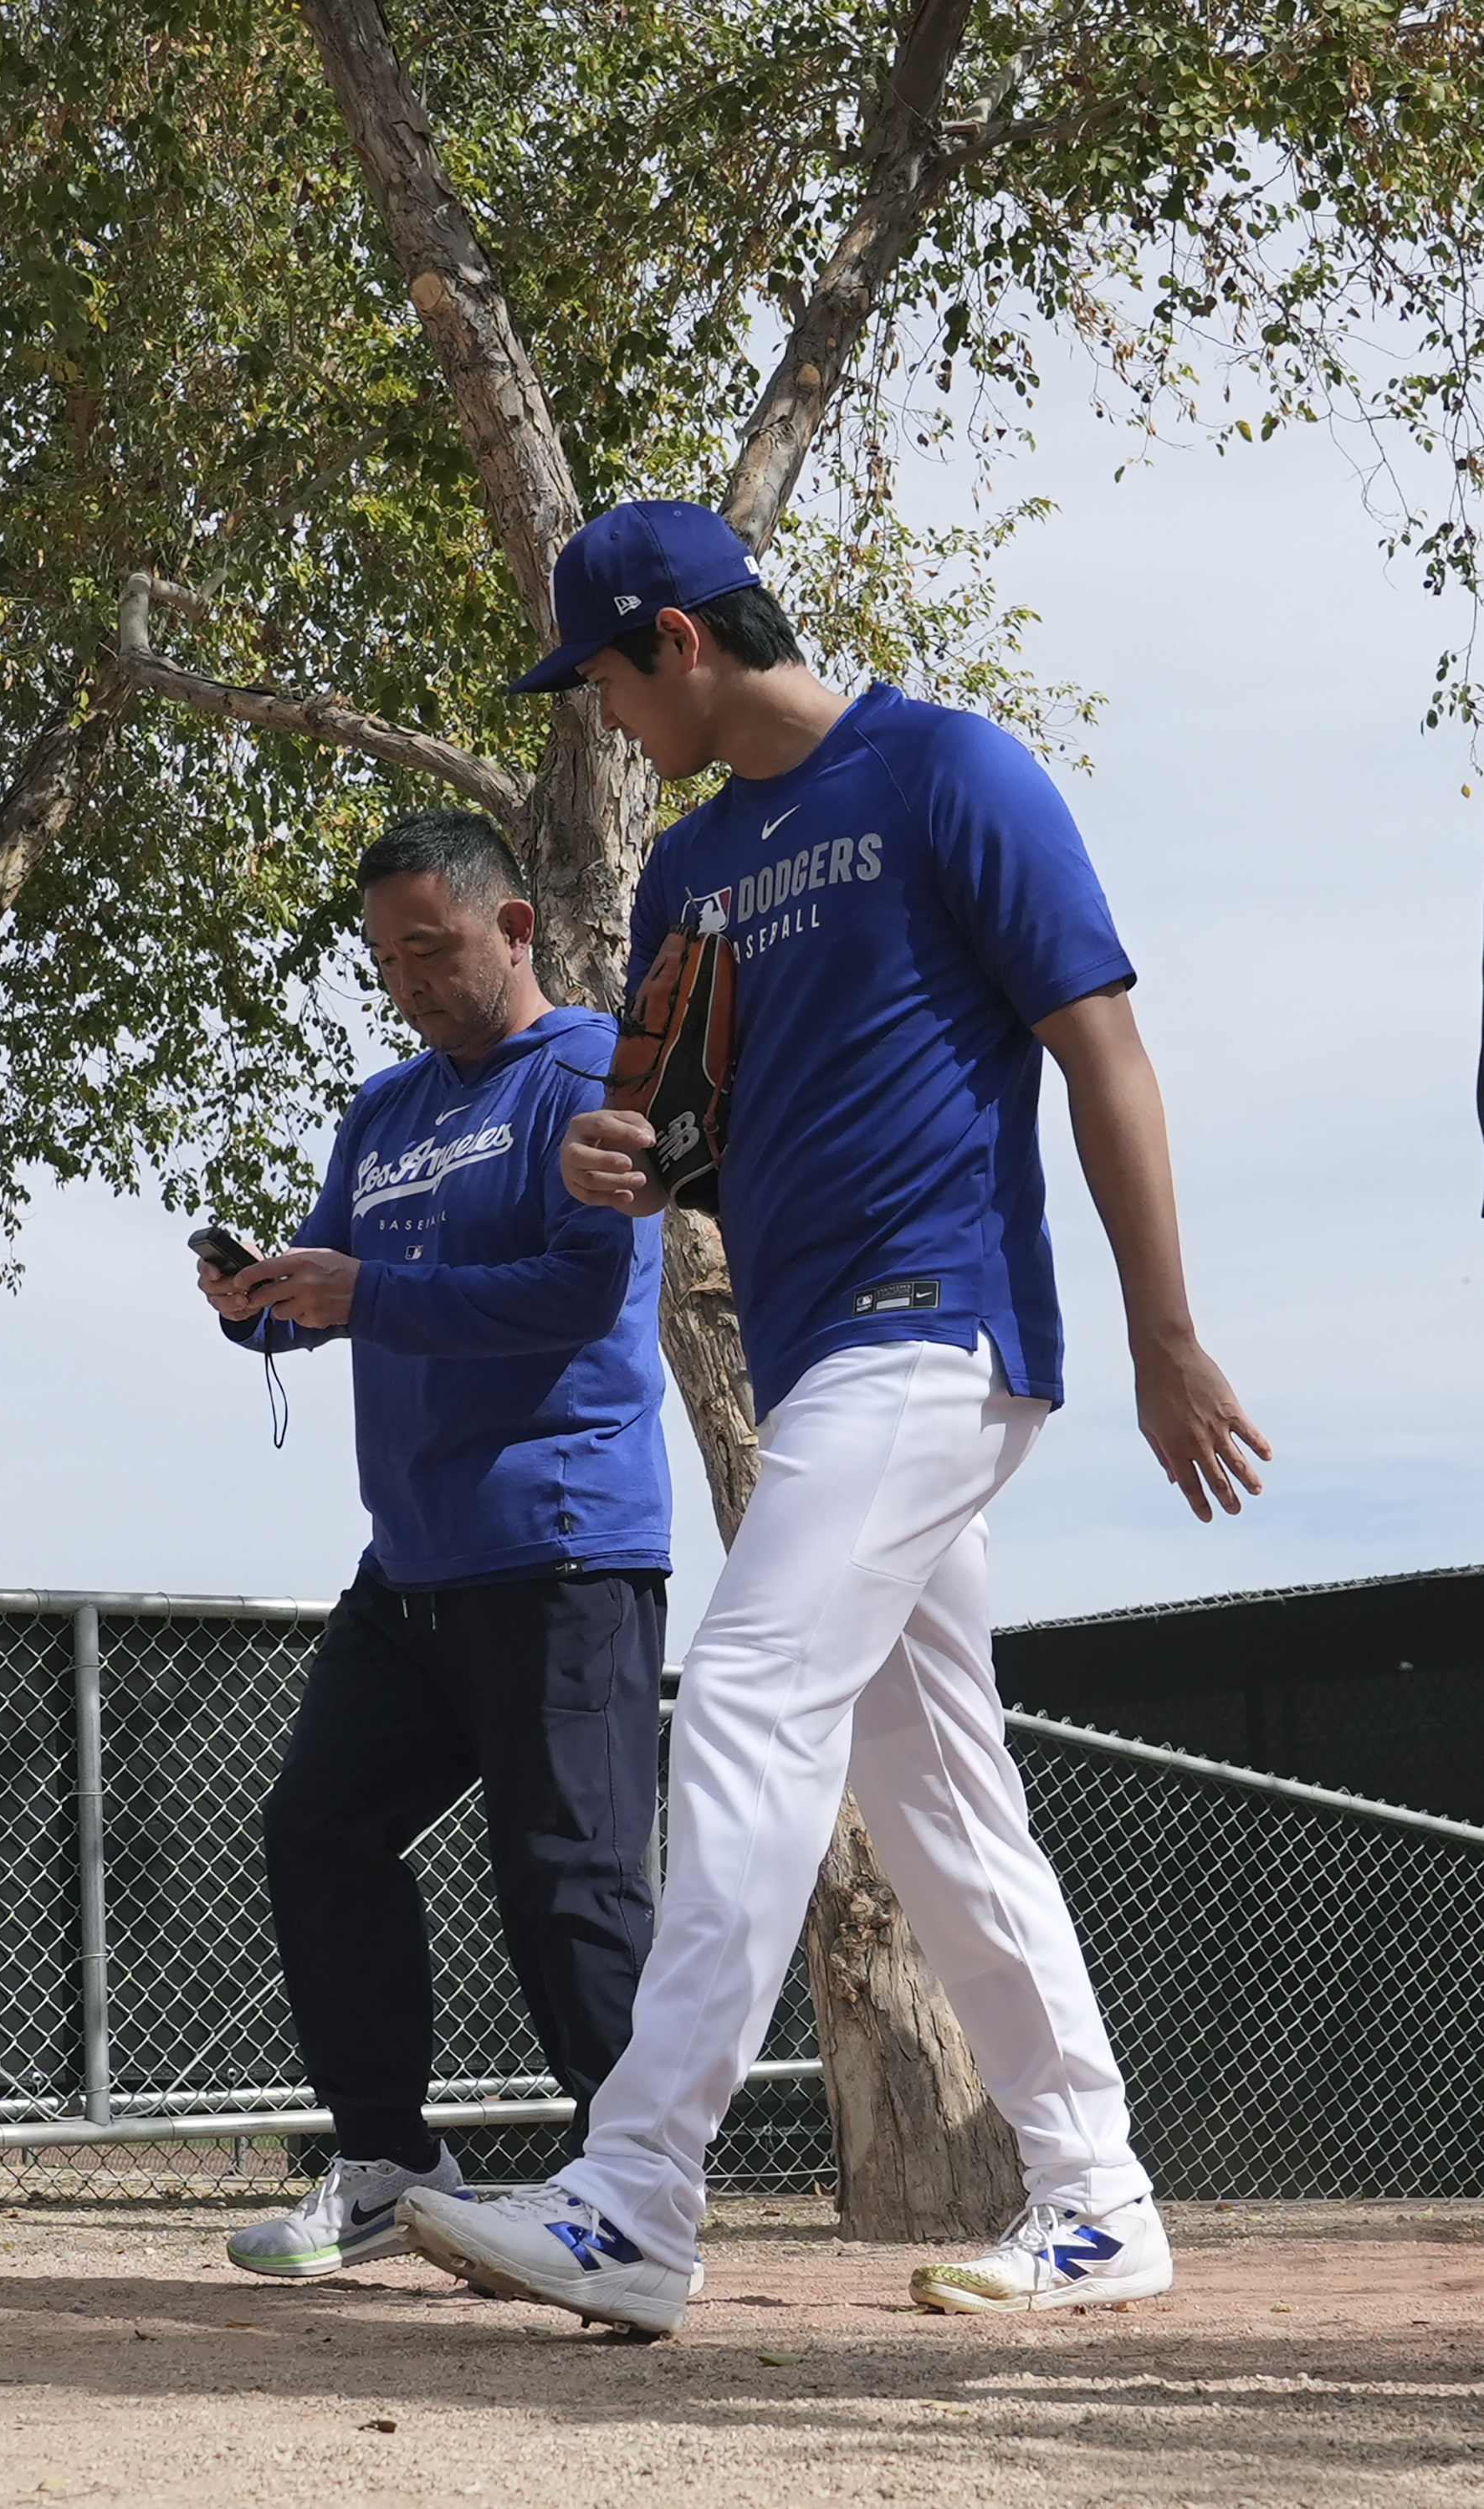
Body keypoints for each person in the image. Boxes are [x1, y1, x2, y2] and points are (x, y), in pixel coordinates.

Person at [398, 500, 1268, 2337]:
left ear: (684, 642)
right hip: (814, 1361)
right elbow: (672, 1128)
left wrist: (1165, 1333)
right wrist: (614, 1155)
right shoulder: (693, 873)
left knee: (747, 1690)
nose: (606, 721)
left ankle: (636, 2190)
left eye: (609, 682)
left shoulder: (951, 769)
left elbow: (1101, 1042)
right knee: (936, 1788)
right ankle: (1100, 2196)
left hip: (937, 1323)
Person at [198, 810, 671, 2283]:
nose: (407, 977)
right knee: (319, 1829)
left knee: (568, 1875)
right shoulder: (385, 1109)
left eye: (433, 946)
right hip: (409, 1562)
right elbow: (341, 1277)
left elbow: (575, 1294)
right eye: (385, 955)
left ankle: (635, 2196)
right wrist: (259, 1300)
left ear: (514, 925)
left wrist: (366, 1292)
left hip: (562, 1541)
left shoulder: (594, 1070)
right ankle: (391, 2159)